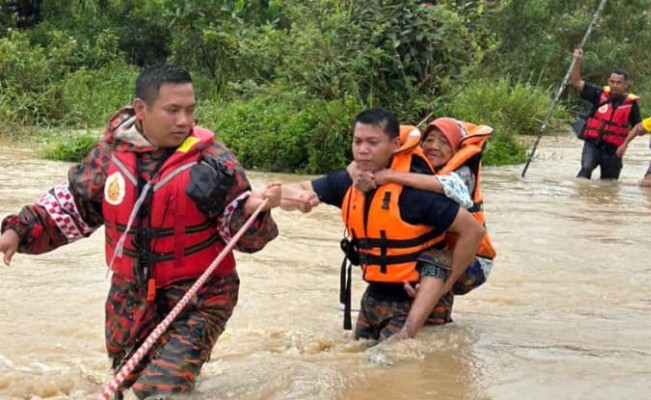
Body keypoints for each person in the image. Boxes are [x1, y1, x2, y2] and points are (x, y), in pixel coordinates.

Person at [0, 64, 282, 399]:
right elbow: (71, 207)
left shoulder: (213, 161)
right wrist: (17, 231)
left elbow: (245, 234)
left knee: (158, 391)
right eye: (172, 110)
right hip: (130, 300)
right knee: (123, 388)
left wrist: (254, 210)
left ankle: (179, 373)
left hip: (199, 299)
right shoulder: (109, 158)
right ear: (140, 110)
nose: (183, 120)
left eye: (190, 110)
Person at [281, 108, 484, 342]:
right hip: (375, 294)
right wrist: (297, 200)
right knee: (354, 363)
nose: (363, 149)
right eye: (358, 142)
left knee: (394, 362)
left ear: (395, 145)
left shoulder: (415, 195)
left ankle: (409, 330)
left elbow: (474, 231)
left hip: (419, 296)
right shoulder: (349, 182)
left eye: (372, 142)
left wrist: (445, 285)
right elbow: (290, 191)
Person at [348, 117, 496, 295]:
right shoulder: (416, 165)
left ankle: (436, 298)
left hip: (474, 263)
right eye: (430, 140)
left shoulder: (464, 174)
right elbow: (361, 163)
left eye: (444, 142)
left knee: (431, 261)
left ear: (456, 149)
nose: (434, 146)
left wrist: (390, 176)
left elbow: (446, 185)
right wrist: (355, 171)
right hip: (440, 250)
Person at [570, 48, 643, 180]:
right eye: (612, 82)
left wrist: (624, 144)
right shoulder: (598, 94)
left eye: (619, 83)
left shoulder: (631, 104)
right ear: (608, 81)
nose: (615, 85)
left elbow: (637, 126)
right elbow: (576, 81)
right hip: (593, 144)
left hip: (614, 149)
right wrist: (577, 61)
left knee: (609, 184)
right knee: (585, 170)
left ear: (625, 84)